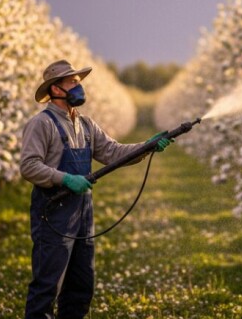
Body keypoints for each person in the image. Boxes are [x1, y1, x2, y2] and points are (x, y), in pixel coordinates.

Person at [21, 59, 172, 319]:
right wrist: (65, 179)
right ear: (55, 89)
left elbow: (114, 152)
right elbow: (29, 166)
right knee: (48, 285)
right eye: (72, 83)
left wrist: (146, 146)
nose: (79, 87)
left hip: (82, 213)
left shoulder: (87, 124)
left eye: (78, 82)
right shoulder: (42, 124)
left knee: (81, 286)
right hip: (54, 212)